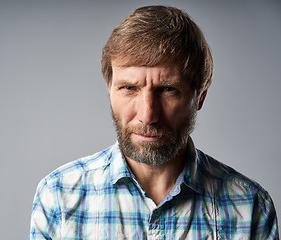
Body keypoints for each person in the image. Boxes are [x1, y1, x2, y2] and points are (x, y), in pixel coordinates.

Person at [29, 5, 279, 239]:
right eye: (129, 88)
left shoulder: (250, 206)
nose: (147, 115)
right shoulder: (59, 196)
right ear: (110, 90)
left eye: (168, 89)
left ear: (199, 97)